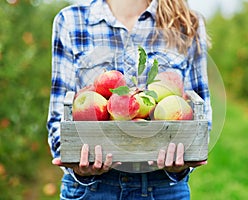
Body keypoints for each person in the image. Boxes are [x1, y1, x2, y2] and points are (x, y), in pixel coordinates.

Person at [47, 0, 212, 199]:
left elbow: (201, 117)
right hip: (90, 189)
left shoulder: (186, 22)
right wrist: (75, 161)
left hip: (162, 187)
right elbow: (59, 117)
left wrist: (182, 161)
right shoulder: (72, 21)